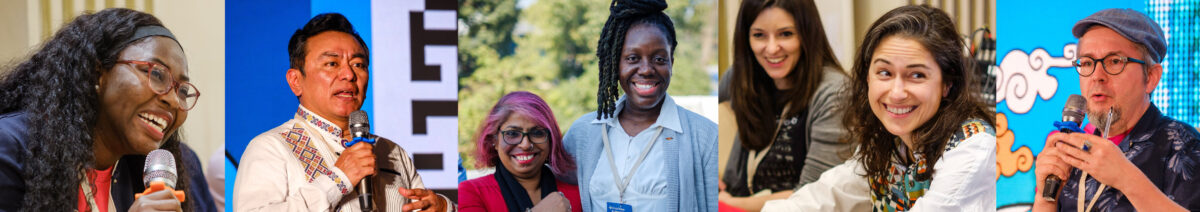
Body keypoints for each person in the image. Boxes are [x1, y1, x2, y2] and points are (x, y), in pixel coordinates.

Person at [762, 5, 996, 211]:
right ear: (867, 77)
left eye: (916, 75)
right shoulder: (888, 143)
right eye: (884, 72)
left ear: (947, 84)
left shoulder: (973, 148)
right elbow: (826, 195)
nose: (896, 93)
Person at [0, 8, 216, 212]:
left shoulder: (140, 170)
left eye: (182, 91)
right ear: (97, 74)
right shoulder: (10, 147)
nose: (172, 100)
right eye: (157, 74)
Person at [232, 13, 452, 211]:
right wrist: (338, 179)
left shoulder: (392, 151)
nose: (348, 74)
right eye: (331, 63)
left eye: (358, 64)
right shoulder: (271, 148)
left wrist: (443, 207)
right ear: (296, 80)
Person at [1032, 8, 1200, 212]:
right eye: (1087, 63)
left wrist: (1127, 178)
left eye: (1114, 62)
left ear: (1151, 78)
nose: (1097, 75)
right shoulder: (1072, 149)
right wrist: (1044, 200)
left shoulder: (1183, 144)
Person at [562, 0, 719, 211]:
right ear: (615, 62)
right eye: (633, 58)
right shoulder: (582, 134)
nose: (646, 69)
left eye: (659, 59)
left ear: (672, 62)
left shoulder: (706, 137)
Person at [719, 0, 852, 210]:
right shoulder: (738, 78)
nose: (772, 48)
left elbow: (816, 194)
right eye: (759, 35)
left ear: (807, 34)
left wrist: (733, 204)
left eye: (786, 34)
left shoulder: (835, 92)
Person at [458, 91, 581, 212]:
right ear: (494, 140)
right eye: (512, 133)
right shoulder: (473, 192)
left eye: (537, 133)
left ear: (550, 139)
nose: (526, 144)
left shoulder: (578, 195)